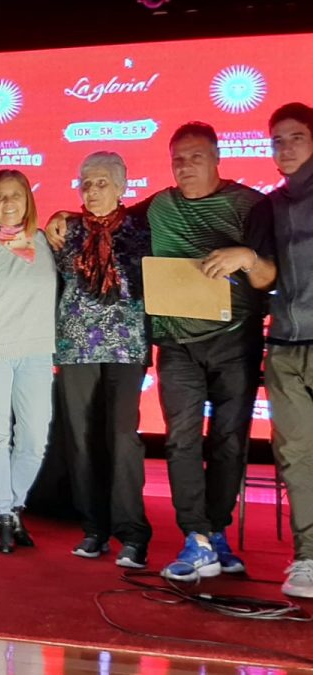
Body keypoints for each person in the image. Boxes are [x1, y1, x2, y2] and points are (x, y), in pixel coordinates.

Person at [46, 123, 274, 581]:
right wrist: (61, 214)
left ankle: (214, 530)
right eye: (178, 159)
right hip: (173, 344)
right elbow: (97, 222)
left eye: (195, 157)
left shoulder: (250, 204)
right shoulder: (159, 206)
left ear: (216, 157)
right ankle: (196, 536)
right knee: (179, 441)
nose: (186, 166)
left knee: (228, 442)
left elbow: (269, 275)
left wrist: (245, 257)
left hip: (230, 340)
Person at [53, 152, 153, 568]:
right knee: (80, 439)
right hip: (76, 346)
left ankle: (132, 533)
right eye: (86, 183)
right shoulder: (65, 232)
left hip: (127, 345)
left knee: (122, 438)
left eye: (101, 183)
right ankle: (94, 529)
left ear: (121, 186)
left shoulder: (143, 230)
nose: (92, 191)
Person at [0, 169, 56, 554]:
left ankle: (13, 505)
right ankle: (3, 514)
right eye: (0, 196)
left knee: (34, 439)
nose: (9, 202)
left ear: (28, 200)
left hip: (37, 353)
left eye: (16, 195)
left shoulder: (46, 244)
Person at [262, 102, 313, 598]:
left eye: (295, 137)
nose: (285, 147)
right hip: (283, 347)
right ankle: (308, 558)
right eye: (277, 140)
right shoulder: (271, 205)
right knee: (296, 456)